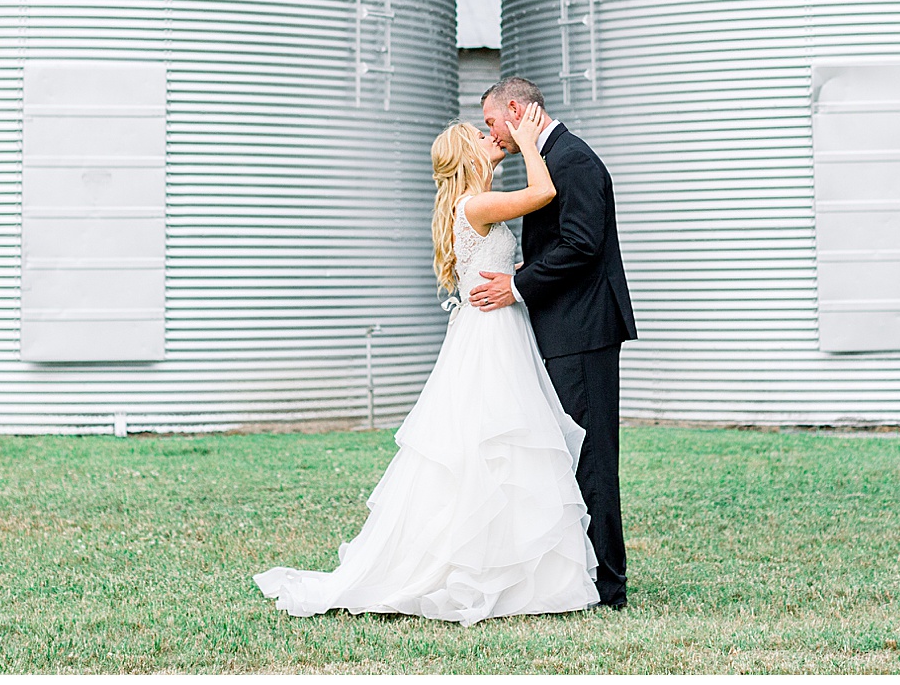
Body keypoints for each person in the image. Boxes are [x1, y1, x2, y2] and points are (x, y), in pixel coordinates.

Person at [254, 102, 600, 625]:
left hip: (494, 329)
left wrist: (520, 273)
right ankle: (475, 566)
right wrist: (529, 142)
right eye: (483, 140)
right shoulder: (475, 205)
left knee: (497, 445)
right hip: (490, 338)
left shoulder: (469, 205)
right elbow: (543, 194)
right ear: (468, 158)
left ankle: (505, 564)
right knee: (493, 443)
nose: (493, 141)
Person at [473, 77, 636, 609]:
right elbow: (559, 242)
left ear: (516, 110)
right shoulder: (554, 159)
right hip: (565, 326)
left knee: (592, 457)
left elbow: (583, 245)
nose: (492, 134)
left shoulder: (573, 161)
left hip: (584, 331)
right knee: (569, 453)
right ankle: (578, 575)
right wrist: (527, 268)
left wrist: (518, 285)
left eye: (494, 122)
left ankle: (607, 586)